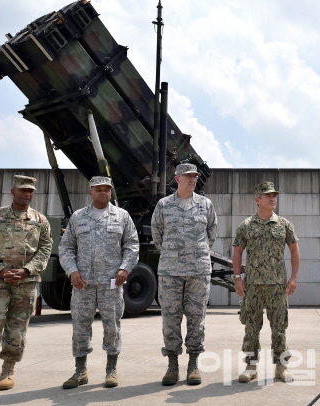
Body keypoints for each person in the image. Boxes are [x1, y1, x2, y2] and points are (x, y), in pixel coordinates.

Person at [0, 175, 53, 395]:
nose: (27, 194)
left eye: (30, 191)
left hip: (25, 282)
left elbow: (45, 250)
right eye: (23, 190)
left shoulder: (40, 220)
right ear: (12, 191)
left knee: (17, 330)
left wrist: (27, 270)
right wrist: (1, 270)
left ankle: (8, 370)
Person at [59, 176, 139, 389]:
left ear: (111, 193)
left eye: (107, 189)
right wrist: (72, 271)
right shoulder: (78, 217)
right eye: (98, 189)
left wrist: (125, 268)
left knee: (112, 326)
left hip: (110, 283)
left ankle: (111, 369)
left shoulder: (121, 216)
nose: (103, 192)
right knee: (80, 327)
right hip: (82, 284)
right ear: (90, 192)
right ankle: (80, 370)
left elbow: (132, 245)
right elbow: (66, 247)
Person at [151, 163, 217, 386]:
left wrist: (195, 255)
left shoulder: (205, 204)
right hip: (170, 271)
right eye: (188, 176)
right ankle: (172, 365)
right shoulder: (163, 205)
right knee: (171, 318)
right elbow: (157, 235)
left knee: (197, 319)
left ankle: (193, 364)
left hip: (198, 272)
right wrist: (174, 255)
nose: (193, 179)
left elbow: (211, 235)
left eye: (195, 176)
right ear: (177, 179)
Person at [232, 181, 300, 383]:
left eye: (274, 195)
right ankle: (251, 366)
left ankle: (281, 367)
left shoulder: (284, 225)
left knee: (279, 328)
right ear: (257, 200)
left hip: (277, 286)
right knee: (251, 327)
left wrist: (294, 278)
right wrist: (237, 278)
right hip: (252, 285)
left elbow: (294, 250)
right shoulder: (246, 226)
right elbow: (237, 252)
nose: (272, 198)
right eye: (268, 195)